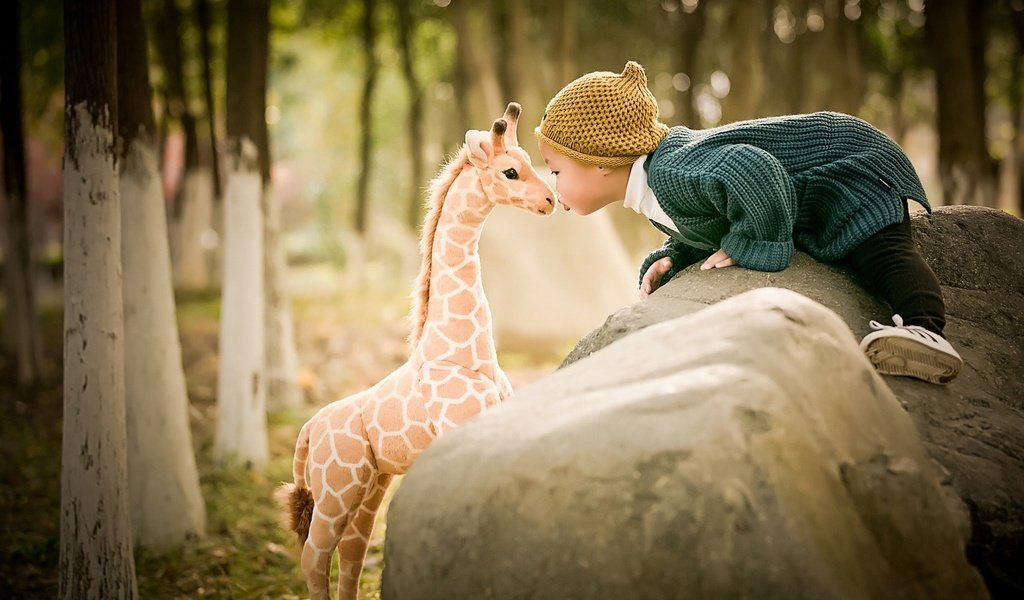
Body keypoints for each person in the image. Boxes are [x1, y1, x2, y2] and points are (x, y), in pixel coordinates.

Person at [534, 60, 962, 384]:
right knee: (870, 252)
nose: (552, 185)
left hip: (846, 167)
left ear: (601, 162)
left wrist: (753, 244)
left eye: (556, 169)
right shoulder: (652, 188)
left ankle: (926, 330)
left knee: (883, 251)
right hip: (823, 184)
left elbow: (755, 171)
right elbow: (715, 215)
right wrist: (676, 256)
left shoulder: (672, 171)